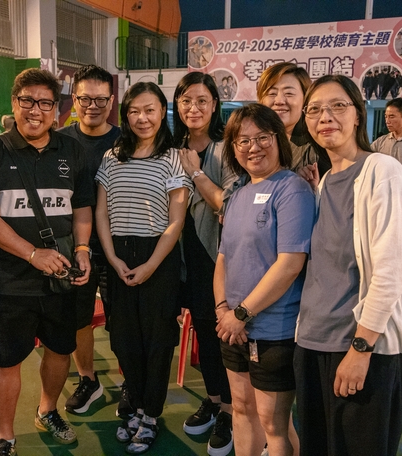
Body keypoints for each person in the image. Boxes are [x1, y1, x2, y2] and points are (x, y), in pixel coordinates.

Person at [0, 68, 94, 456]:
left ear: (56, 109)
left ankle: (48, 410)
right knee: (6, 360)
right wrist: (31, 254)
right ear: (14, 103)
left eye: (44, 103)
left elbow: (82, 208)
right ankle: (5, 436)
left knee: (59, 349)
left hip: (61, 276)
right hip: (10, 280)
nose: (35, 110)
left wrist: (82, 249)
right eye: (27, 101)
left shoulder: (72, 150)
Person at [296, 75, 402, 455]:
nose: (325, 117)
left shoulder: (383, 171)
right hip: (314, 341)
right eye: (315, 109)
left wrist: (361, 347)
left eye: (338, 106)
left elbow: (393, 269)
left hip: (364, 349)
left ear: (358, 115)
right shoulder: (325, 182)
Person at [95, 82, 192, 454]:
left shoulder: (173, 158)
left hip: (159, 257)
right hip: (118, 255)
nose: (142, 118)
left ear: (162, 112)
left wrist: (151, 264)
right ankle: (135, 406)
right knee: (124, 339)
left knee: (157, 341)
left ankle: (151, 414)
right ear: (125, 114)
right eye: (134, 110)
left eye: (150, 110)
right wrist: (113, 257)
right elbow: (102, 212)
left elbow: (176, 220)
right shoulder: (112, 157)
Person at [214, 103, 315, 456]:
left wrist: (241, 314)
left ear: (278, 140)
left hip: (274, 330)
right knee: (241, 409)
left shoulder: (293, 190)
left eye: (262, 138)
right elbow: (223, 259)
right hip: (232, 328)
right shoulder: (237, 194)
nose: (253, 147)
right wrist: (223, 310)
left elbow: (290, 264)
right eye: (243, 141)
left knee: (275, 424)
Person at [172, 72, 237, 456]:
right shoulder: (171, 147)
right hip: (184, 258)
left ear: (214, 105)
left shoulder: (227, 147)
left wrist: (196, 172)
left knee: (222, 336)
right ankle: (213, 400)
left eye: (201, 101)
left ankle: (230, 411)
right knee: (203, 334)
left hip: (219, 257)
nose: (193, 108)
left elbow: (227, 205)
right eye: (186, 101)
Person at [57, 65, 121, 415]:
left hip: (119, 248)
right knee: (79, 318)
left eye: (100, 99)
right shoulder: (60, 141)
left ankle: (132, 382)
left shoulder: (127, 141)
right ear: (74, 99)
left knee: (123, 320)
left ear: (111, 101)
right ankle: (88, 379)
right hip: (74, 248)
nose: (92, 106)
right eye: (85, 99)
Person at [257, 61, 331, 177]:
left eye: (289, 93)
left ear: (306, 99)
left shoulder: (318, 146)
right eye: (272, 93)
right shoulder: (252, 142)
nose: (279, 101)